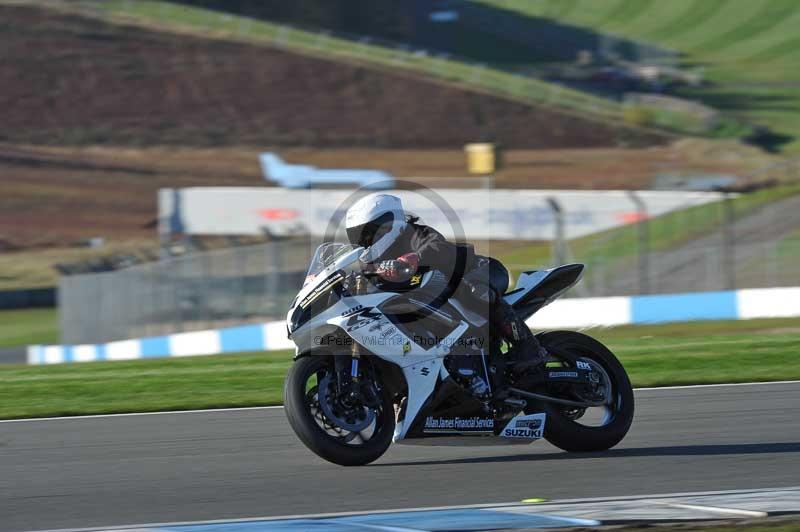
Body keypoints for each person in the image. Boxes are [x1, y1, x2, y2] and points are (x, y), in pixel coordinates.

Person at [344, 193, 546, 378]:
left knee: (477, 291)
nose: (365, 241)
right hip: (437, 302)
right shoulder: (371, 261)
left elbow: (437, 247)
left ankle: (529, 347)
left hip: (482, 270)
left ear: (390, 223)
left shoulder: (414, 233)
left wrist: (413, 258)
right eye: (360, 236)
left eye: (370, 233)